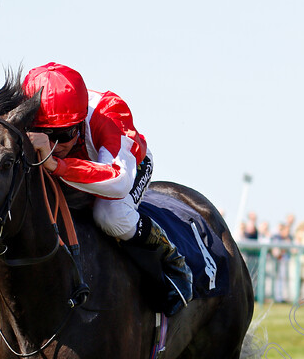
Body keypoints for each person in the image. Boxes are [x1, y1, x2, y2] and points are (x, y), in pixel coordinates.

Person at [23, 62, 191, 308]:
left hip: (129, 168)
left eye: (65, 134)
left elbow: (119, 181)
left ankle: (173, 262)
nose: (55, 145)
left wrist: (57, 165)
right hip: (74, 172)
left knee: (109, 215)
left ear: (81, 121)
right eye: (46, 135)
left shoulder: (110, 113)